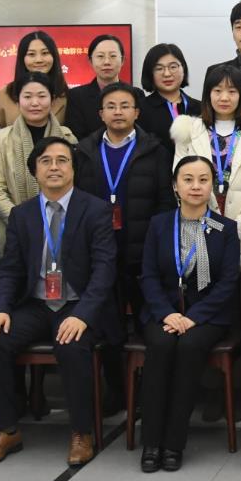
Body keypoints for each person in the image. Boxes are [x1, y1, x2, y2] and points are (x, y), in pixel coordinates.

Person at [0, 138, 118, 468]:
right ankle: (6, 430)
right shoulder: (22, 214)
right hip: (36, 304)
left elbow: (104, 270)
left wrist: (83, 315)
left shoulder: (95, 210)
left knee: (71, 344)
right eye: (46, 161)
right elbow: (10, 270)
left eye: (62, 160)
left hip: (78, 304)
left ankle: (82, 432)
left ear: (73, 169)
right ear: (35, 171)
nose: (54, 167)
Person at [135, 156, 241, 473]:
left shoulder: (225, 228)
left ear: (212, 186)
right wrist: (167, 314)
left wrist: (194, 317)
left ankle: (174, 443)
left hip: (207, 315)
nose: (196, 186)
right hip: (163, 312)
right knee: (161, 345)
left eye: (203, 180)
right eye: (188, 179)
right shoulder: (159, 224)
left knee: (190, 346)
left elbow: (227, 282)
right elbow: (149, 275)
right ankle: (151, 441)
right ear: (175, 186)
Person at [76, 82, 174, 324]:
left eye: (125, 106)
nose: (118, 112)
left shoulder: (155, 151)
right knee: (107, 325)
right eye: (111, 107)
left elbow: (165, 201)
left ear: (136, 112)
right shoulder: (84, 152)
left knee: (146, 322)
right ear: (101, 114)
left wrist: (156, 241)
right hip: (98, 247)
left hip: (141, 248)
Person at [171, 63, 241, 276]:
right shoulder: (188, 131)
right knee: (202, 285)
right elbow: (180, 182)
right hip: (198, 229)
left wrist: (234, 230)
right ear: (207, 94)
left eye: (232, 91)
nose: (224, 97)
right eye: (217, 91)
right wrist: (213, 228)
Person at [0, 72, 78, 247]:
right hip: (13, 230)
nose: (35, 103)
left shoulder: (67, 138)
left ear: (52, 100)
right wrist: (24, 222)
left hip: (60, 228)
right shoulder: (0, 139)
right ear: (18, 101)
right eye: (27, 96)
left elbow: (74, 185)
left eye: (42, 96)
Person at [0, 31, 69, 129]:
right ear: (22, 58)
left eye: (45, 53)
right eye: (31, 54)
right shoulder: (5, 95)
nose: (39, 60)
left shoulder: (67, 95)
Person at [138, 43, 202, 148]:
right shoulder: (140, 110)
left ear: (183, 68)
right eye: (159, 68)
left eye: (173, 67)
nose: (167, 74)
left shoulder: (201, 108)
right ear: (150, 73)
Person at [64, 34, 128, 139]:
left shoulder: (135, 94)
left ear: (122, 60)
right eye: (100, 56)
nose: (107, 62)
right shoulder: (76, 96)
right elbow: (76, 138)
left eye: (113, 56)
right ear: (90, 61)